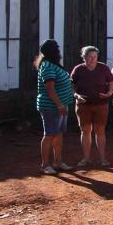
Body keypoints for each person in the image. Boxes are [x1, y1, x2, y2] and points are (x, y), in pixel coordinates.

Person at [35, 39, 74, 175]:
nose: (59, 50)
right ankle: (45, 164)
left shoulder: (53, 64)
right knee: (50, 134)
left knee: (58, 134)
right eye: (56, 48)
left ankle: (58, 161)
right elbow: (50, 88)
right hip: (52, 107)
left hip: (61, 105)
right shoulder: (47, 66)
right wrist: (59, 105)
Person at [70, 46, 113, 167]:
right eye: (90, 57)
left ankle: (102, 158)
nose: (92, 59)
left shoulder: (103, 68)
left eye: (95, 57)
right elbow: (71, 86)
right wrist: (76, 95)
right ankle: (86, 158)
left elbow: (111, 82)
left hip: (101, 104)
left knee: (100, 131)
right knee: (85, 131)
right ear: (84, 57)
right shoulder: (78, 69)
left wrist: (109, 93)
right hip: (83, 105)